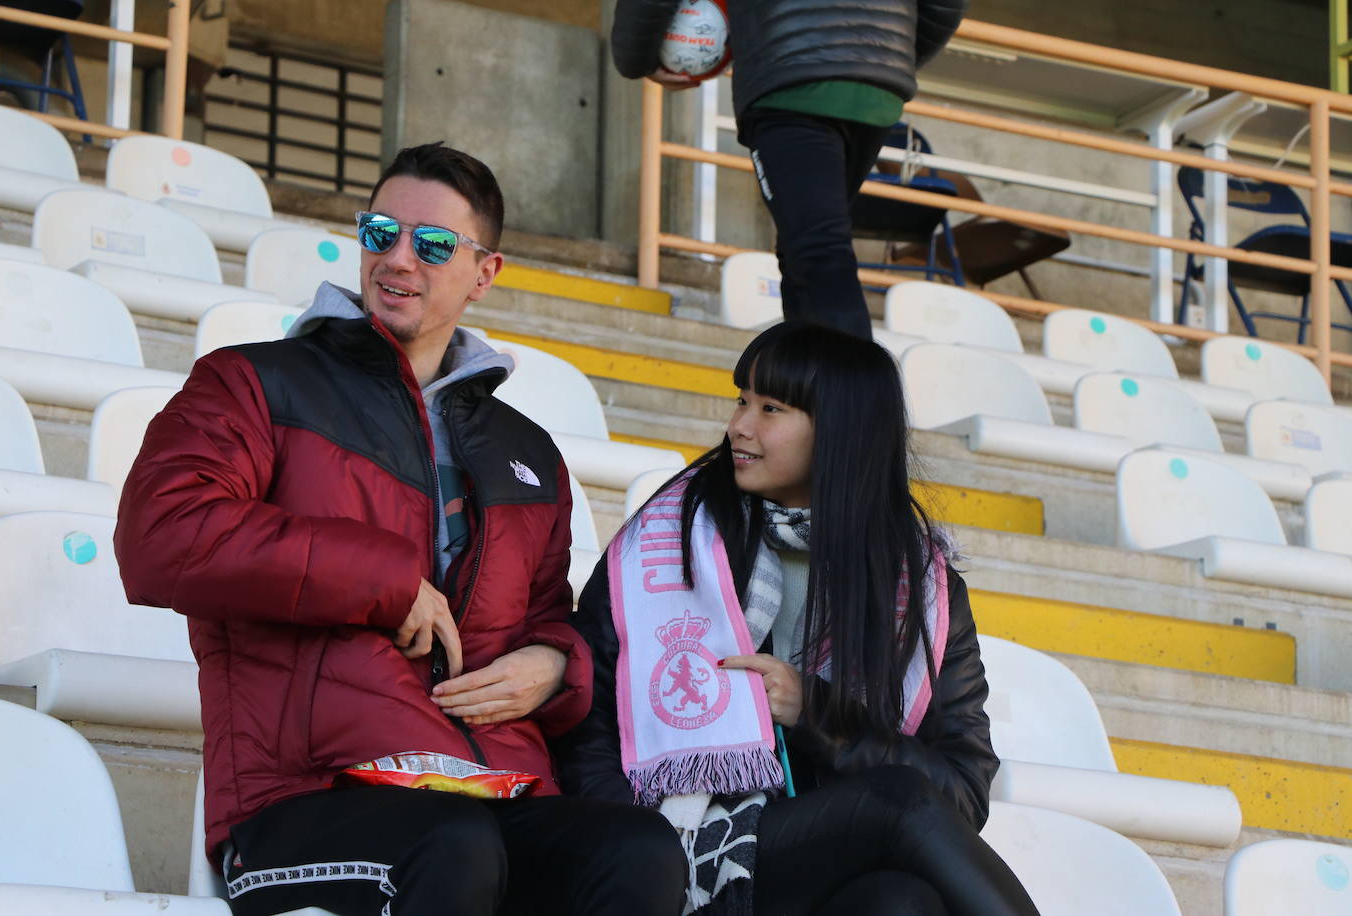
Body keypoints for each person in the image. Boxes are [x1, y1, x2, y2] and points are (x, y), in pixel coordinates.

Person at [115, 142, 685, 916]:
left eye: (435, 243)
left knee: (639, 852)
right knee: (453, 845)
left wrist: (555, 666)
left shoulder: (527, 451)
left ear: (485, 272)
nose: (399, 259)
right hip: (305, 794)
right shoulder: (252, 382)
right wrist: (384, 585)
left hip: (492, 789)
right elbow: (162, 537)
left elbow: (547, 612)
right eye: (381, 232)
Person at [555, 322, 1038, 915]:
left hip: (814, 858)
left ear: (840, 434)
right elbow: (589, 724)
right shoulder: (667, 543)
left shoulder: (925, 590)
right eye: (742, 400)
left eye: (771, 408)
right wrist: (643, 847)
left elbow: (961, 794)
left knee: (902, 903)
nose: (740, 425)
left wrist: (819, 713)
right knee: (899, 803)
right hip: (674, 842)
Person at [612, 0, 967, 340]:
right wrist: (883, 59)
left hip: (790, 79)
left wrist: (637, 60)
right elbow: (945, 5)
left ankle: (853, 397)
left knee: (817, 253)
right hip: (873, 91)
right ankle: (804, 393)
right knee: (802, 252)